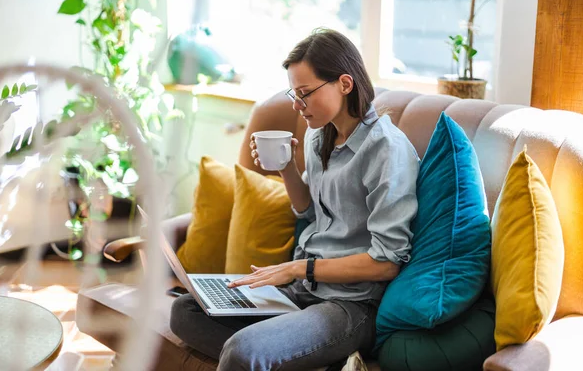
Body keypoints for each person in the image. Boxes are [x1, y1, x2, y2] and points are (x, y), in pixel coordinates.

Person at [170, 28, 420, 371]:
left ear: (345, 85)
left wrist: (297, 267)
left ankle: (297, 353)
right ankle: (306, 360)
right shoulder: (320, 138)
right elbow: (308, 210)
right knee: (185, 310)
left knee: (244, 353)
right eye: (294, 93)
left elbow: (388, 262)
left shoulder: (386, 150)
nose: (296, 105)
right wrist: (287, 167)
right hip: (303, 290)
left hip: (350, 305)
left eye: (304, 93)